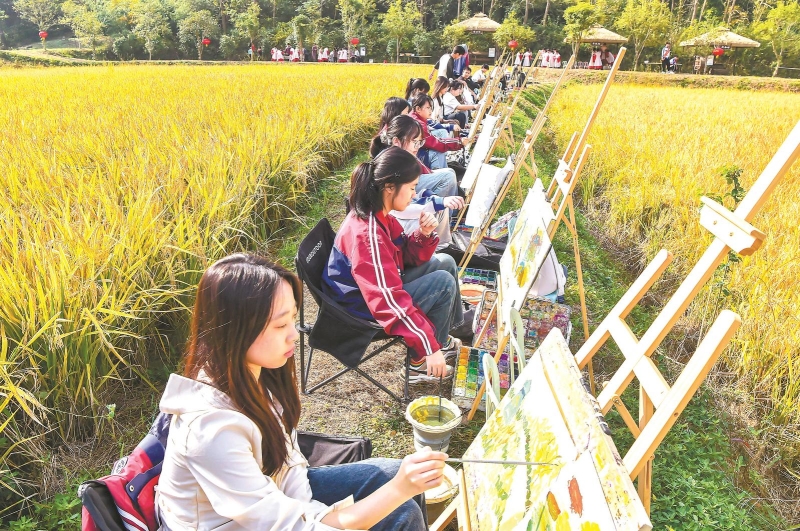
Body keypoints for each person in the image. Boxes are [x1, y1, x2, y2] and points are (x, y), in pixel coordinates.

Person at [155, 254, 446, 530]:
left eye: (293, 319)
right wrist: (394, 493)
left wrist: (311, 508)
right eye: (281, 324)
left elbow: (289, 463)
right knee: (400, 507)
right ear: (235, 331)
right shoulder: (211, 431)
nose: (294, 334)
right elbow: (290, 527)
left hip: (272, 494)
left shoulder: (259, 371)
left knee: (394, 476)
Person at [323, 147, 465, 382]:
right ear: (389, 187)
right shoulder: (367, 236)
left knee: (446, 262)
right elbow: (386, 300)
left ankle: (443, 339)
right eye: (411, 188)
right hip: (361, 307)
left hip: (374, 291)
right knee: (443, 282)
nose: (414, 194)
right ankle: (420, 362)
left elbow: (403, 256)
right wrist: (427, 344)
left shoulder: (380, 214)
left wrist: (423, 234)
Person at [370, 115, 464, 249]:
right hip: (393, 225)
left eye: (420, 142)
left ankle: (441, 246)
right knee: (433, 213)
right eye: (415, 142)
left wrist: (433, 198)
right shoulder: (392, 166)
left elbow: (414, 194)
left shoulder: (402, 159)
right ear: (397, 141)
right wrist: (436, 203)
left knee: (437, 207)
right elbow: (398, 210)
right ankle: (439, 248)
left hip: (398, 216)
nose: (418, 147)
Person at [410, 95, 468, 170]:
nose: (431, 111)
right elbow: (435, 143)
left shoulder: (415, 117)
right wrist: (459, 141)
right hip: (414, 161)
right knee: (437, 151)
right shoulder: (418, 125)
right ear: (418, 109)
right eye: (428, 108)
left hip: (415, 155)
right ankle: (441, 177)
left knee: (441, 136)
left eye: (431, 108)